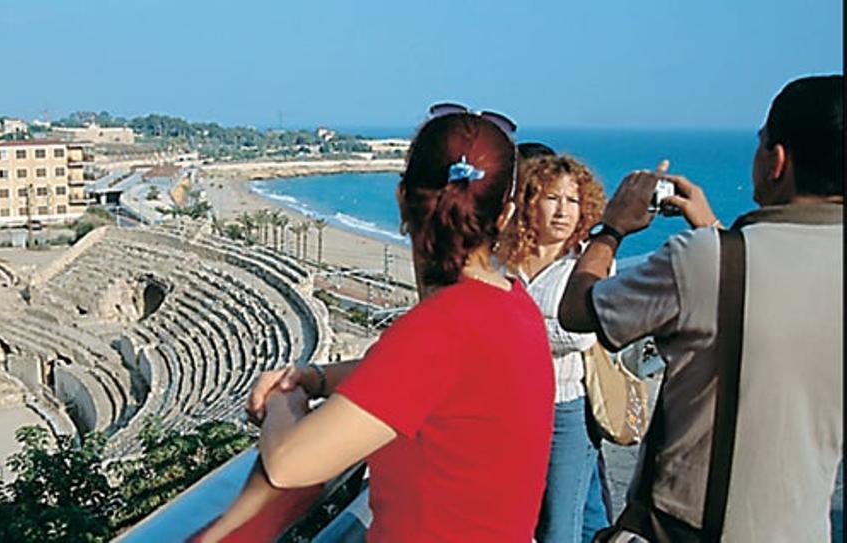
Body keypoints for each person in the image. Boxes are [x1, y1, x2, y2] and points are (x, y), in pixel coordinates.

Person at [202, 105, 556, 542]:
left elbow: (290, 464)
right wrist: (314, 377)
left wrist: (282, 398)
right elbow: (418, 380)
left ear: (402, 199)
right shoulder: (513, 307)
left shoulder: (441, 328)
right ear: (504, 215)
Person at [558, 74, 843, 541]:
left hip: (686, 529)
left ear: (777, 161)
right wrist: (714, 231)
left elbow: (578, 310)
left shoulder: (704, 261)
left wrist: (611, 228)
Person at [499, 153, 611, 542]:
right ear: (530, 201)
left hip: (566, 408)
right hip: (506, 406)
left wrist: (509, 328)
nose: (563, 210)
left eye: (573, 200)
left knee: (559, 526)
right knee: (514, 516)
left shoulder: (589, 263)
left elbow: (580, 334)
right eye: (552, 198)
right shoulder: (503, 258)